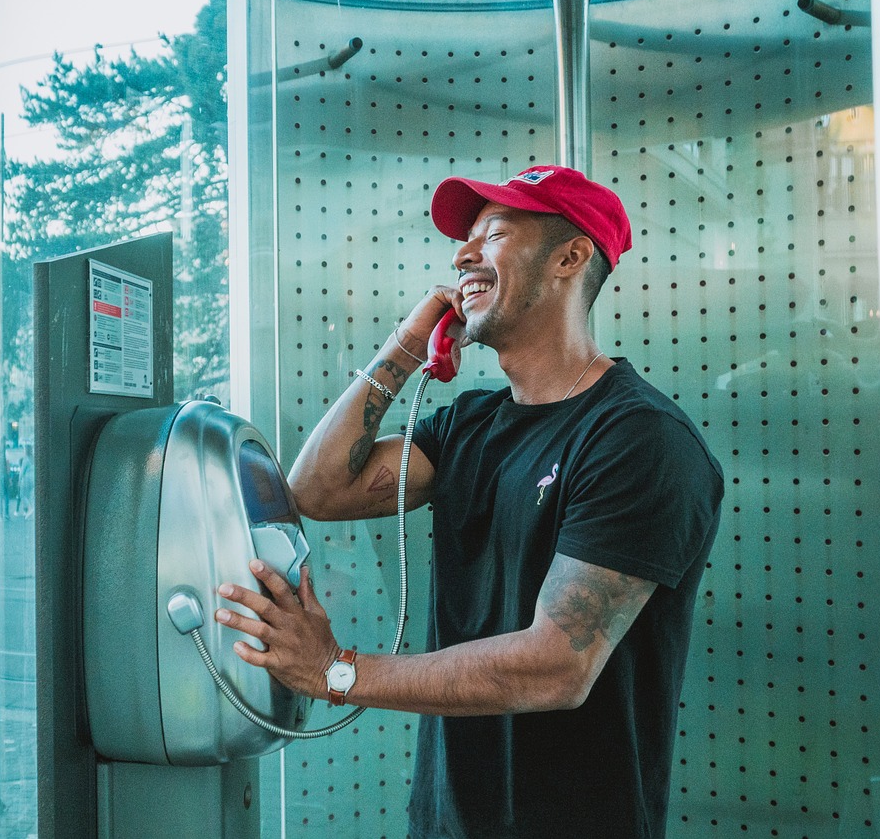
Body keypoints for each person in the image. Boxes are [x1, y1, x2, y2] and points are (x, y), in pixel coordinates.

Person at [215, 165, 724, 838]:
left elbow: (557, 665)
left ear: (570, 257)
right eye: (465, 239)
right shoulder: (468, 426)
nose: (462, 255)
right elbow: (317, 488)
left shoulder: (638, 439)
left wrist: (336, 671)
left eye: (495, 233)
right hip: (448, 820)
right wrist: (406, 341)